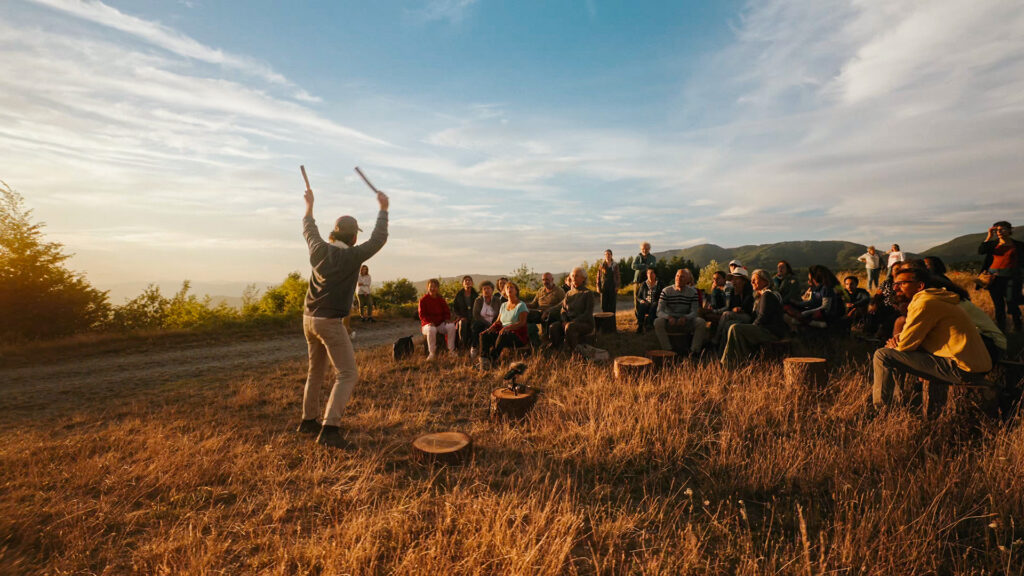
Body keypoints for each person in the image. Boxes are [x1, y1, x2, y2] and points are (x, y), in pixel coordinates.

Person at [299, 182, 388, 448]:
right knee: (348, 374)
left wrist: (310, 205)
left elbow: (308, 227)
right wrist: (383, 210)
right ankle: (329, 429)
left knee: (315, 371)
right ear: (353, 237)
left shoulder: (318, 248)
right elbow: (379, 239)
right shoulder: (353, 257)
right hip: (329, 322)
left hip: (308, 319)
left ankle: (308, 421)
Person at [871, 267, 992, 409]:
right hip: (971, 365)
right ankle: (897, 400)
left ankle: (882, 408)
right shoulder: (932, 299)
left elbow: (905, 346)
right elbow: (912, 336)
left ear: (919, 286)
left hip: (962, 368)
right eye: (895, 284)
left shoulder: (925, 304)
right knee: (893, 352)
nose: (896, 287)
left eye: (902, 283)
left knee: (883, 355)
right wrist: (899, 339)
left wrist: (895, 343)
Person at [720, 269, 789, 367]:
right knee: (734, 327)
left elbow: (762, 318)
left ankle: (728, 363)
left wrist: (750, 327)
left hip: (770, 332)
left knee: (735, 328)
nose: (752, 282)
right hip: (765, 329)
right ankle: (738, 362)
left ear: (765, 281)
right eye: (751, 280)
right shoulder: (760, 296)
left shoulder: (768, 295)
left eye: (755, 280)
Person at [978, 221, 1024, 332]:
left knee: (1012, 302)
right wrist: (989, 236)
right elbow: (981, 251)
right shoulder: (993, 244)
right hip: (994, 279)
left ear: (1009, 230)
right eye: (997, 230)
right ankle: (1001, 330)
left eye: (1002, 229)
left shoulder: (1018, 245)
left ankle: (1018, 327)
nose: (999, 232)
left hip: (1012, 278)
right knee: (998, 305)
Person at [653, 268, 707, 357]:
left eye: (682, 277)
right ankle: (668, 350)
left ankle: (694, 351)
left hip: (685, 321)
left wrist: (686, 317)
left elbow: (694, 311)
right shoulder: (666, 291)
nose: (678, 278)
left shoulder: (692, 292)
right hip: (670, 321)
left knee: (701, 322)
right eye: (677, 276)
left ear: (687, 280)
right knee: (657, 322)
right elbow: (659, 311)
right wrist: (668, 317)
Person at [479, 282, 529, 368]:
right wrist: (490, 329)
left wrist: (508, 328)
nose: (509, 289)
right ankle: (484, 361)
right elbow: (498, 322)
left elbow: (522, 323)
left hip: (517, 335)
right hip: (502, 332)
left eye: (512, 287)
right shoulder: (503, 305)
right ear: (504, 292)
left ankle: (492, 359)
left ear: (516, 291)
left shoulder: (521, 305)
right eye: (507, 288)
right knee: (484, 335)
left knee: (503, 334)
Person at [548, 267, 596, 351]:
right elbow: (563, 310)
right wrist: (564, 321)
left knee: (570, 327)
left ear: (583, 278)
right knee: (553, 326)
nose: (573, 278)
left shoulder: (588, 293)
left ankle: (574, 351)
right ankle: (557, 349)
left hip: (585, 324)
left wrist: (571, 322)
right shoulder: (569, 294)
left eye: (576, 275)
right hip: (568, 322)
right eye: (572, 275)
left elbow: (587, 313)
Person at [711, 267, 755, 347]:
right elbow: (730, 306)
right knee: (728, 325)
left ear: (743, 281)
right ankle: (723, 350)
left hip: (749, 317)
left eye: (736, 279)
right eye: (732, 279)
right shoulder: (732, 291)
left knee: (726, 314)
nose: (733, 281)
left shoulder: (750, 292)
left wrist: (741, 309)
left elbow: (749, 308)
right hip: (737, 317)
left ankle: (716, 339)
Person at [418, 279, 457, 360]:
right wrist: (428, 322)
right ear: (427, 288)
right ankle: (432, 353)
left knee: (451, 326)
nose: (433, 288)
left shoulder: (441, 300)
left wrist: (446, 319)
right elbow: (422, 315)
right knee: (431, 329)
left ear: (438, 288)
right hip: (427, 325)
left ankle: (451, 351)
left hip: (440, 324)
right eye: (431, 287)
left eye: (435, 287)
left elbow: (446, 312)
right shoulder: (423, 300)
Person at [470, 281, 502, 357]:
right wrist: (487, 324)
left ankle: (495, 349)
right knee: (476, 325)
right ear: (482, 291)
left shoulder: (497, 300)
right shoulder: (478, 300)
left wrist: (493, 324)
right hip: (481, 321)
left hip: (494, 322)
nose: (486, 291)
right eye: (484, 289)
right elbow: (476, 315)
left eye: (488, 288)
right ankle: (474, 347)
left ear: (492, 290)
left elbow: (500, 314)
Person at [451, 275, 478, 349]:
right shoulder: (459, 295)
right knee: (462, 324)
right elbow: (455, 308)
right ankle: (463, 346)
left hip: (473, 317)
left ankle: (474, 347)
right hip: (462, 317)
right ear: (463, 283)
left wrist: (474, 317)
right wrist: (460, 317)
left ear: (472, 283)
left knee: (475, 325)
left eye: (469, 280)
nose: (467, 282)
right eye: (465, 280)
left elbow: (478, 308)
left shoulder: (476, 295)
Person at [634, 268, 662, 334]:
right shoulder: (644, 284)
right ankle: (640, 326)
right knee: (642, 305)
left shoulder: (660, 284)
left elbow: (663, 295)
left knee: (654, 305)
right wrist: (641, 301)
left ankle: (650, 325)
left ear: (655, 274)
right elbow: (638, 296)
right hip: (646, 302)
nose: (650, 275)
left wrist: (658, 301)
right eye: (648, 273)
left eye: (651, 273)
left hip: (656, 303)